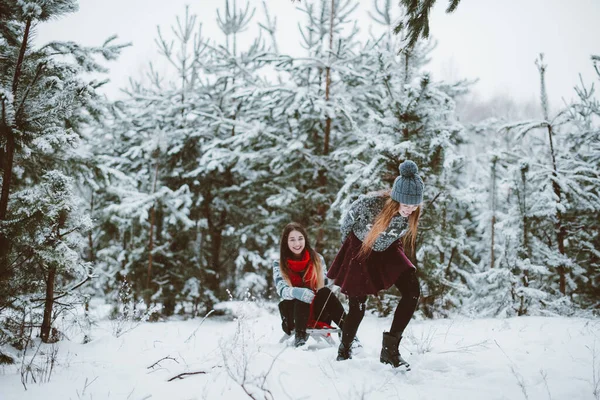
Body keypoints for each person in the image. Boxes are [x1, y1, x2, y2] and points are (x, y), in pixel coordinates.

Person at [327, 160, 423, 368]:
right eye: (406, 205)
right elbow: (347, 223)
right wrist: (350, 253)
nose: (410, 209)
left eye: (414, 205)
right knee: (357, 307)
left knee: (412, 289)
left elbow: (397, 234)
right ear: (396, 199)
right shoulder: (371, 204)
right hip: (359, 248)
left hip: (388, 248)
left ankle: (390, 351)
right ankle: (344, 351)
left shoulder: (411, 213)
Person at [273, 222, 352, 348]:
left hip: (317, 309)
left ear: (305, 239)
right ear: (286, 242)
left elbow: (325, 283)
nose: (297, 243)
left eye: (300, 239)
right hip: (293, 312)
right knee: (302, 293)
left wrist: (337, 279)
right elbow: (281, 289)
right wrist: (296, 292)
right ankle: (300, 338)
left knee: (325, 292)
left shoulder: (317, 259)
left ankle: (350, 335)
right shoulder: (279, 263)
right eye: (292, 240)